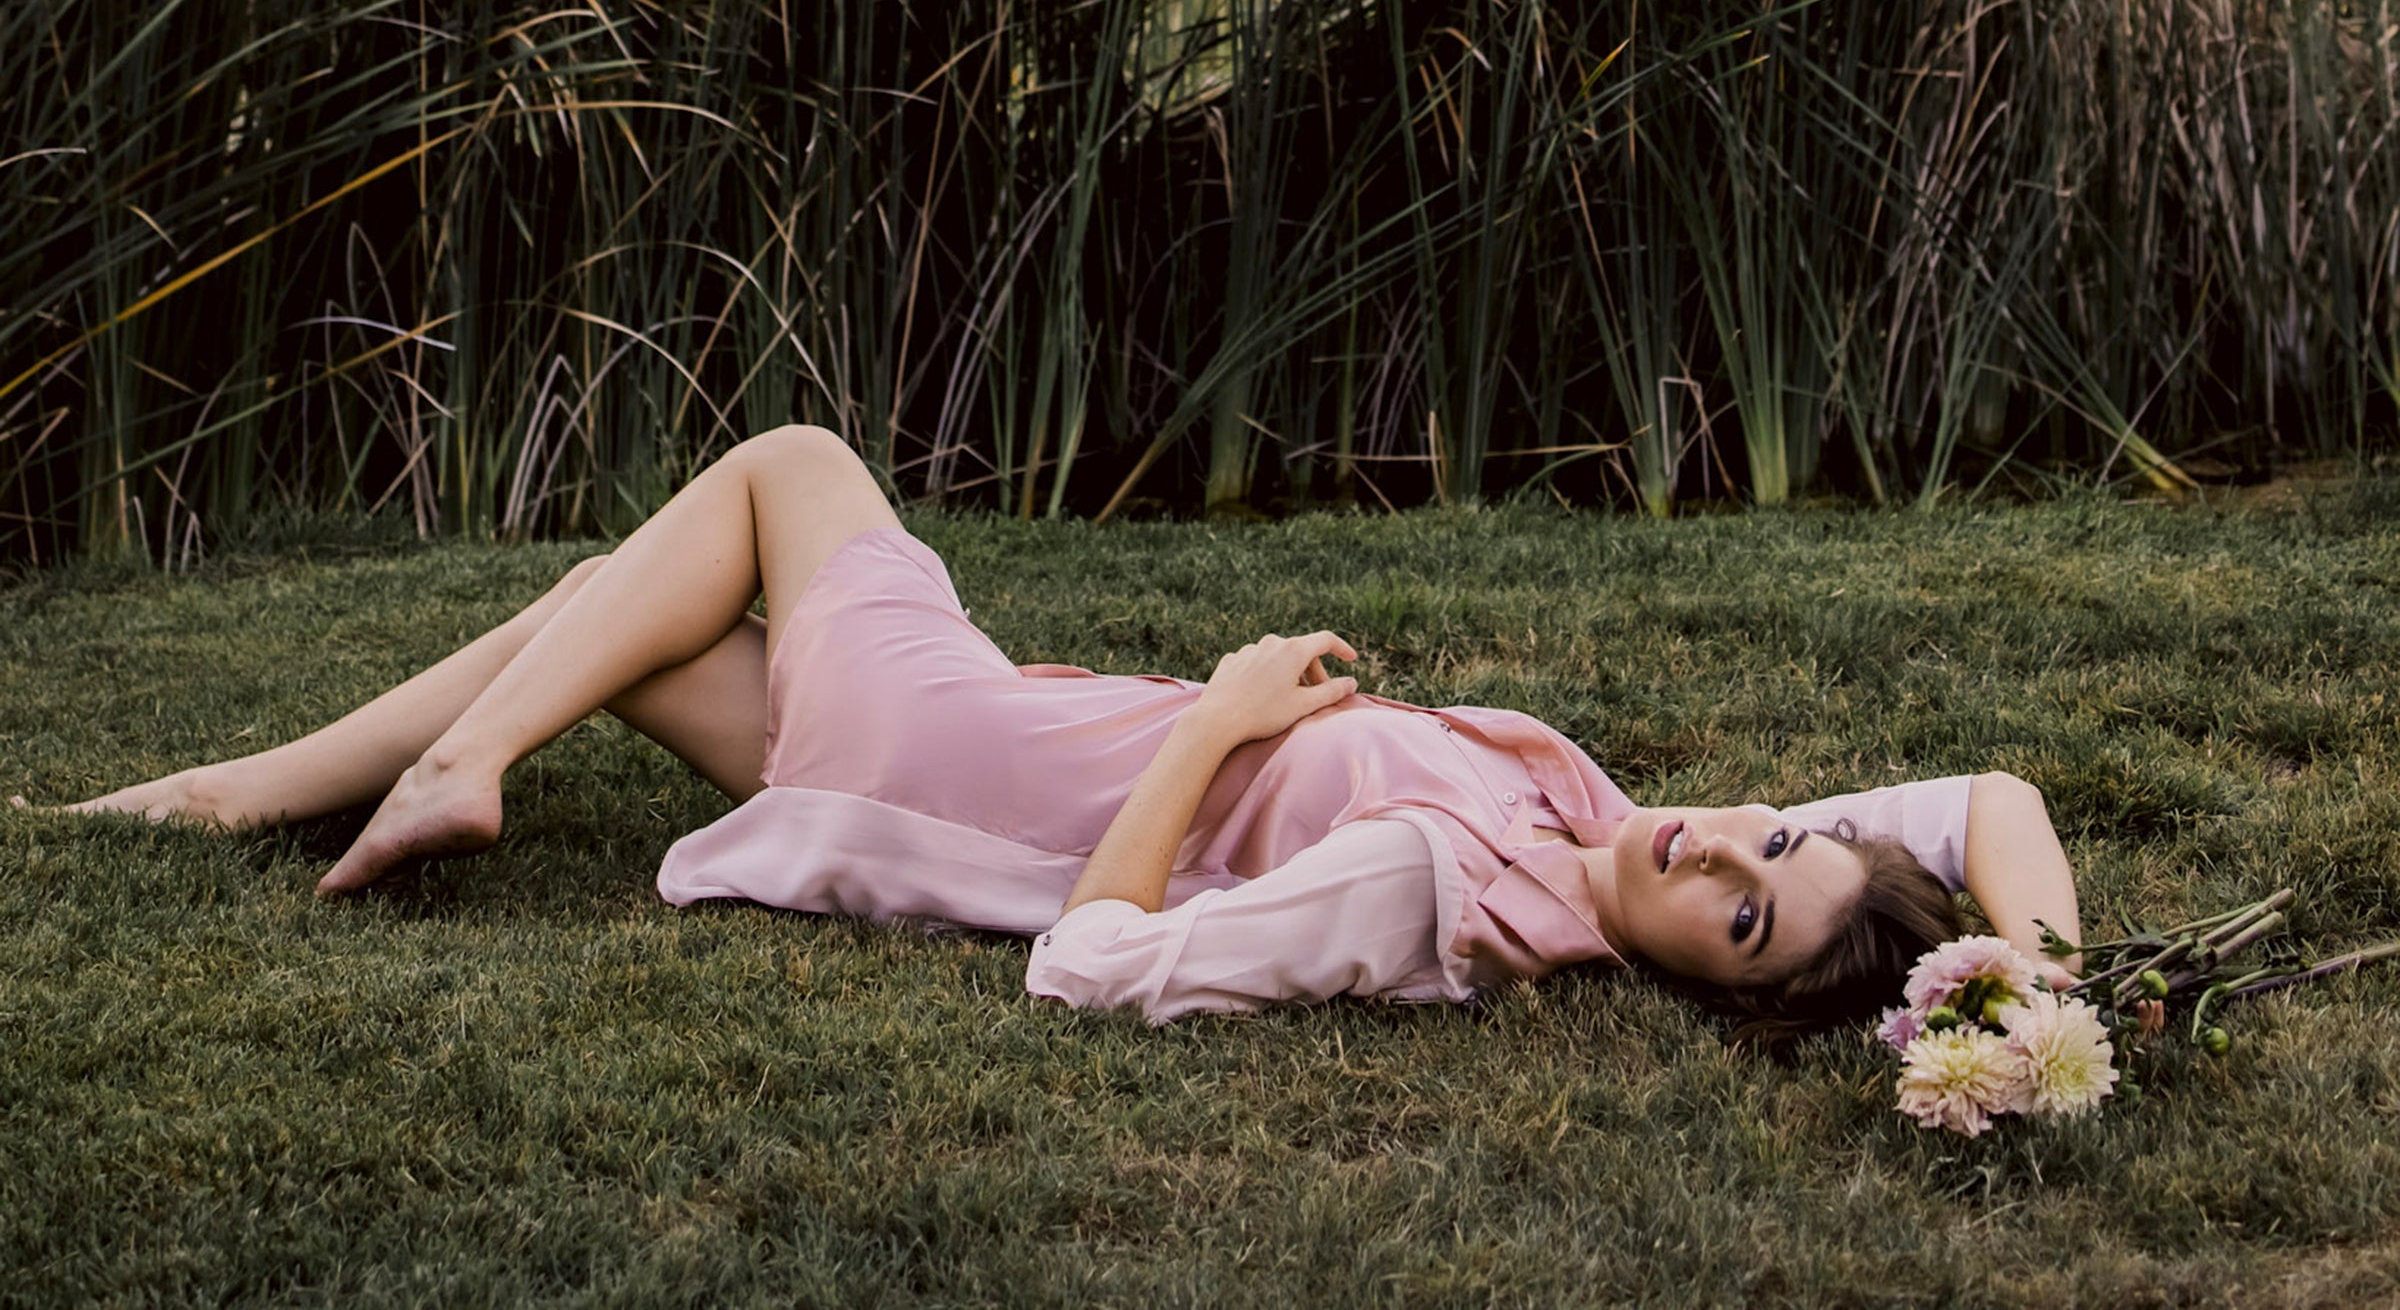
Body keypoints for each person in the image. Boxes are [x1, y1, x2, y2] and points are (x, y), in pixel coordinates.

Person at [18, 425, 2082, 1034]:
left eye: (1732, 917)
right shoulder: (1598, 820)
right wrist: (2033, 988)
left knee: (785, 470)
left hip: (974, 762)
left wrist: (1230, 722)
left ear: (1693, 984)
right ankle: (272, 790)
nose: (1715, 856)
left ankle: (388, 775)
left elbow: (1098, 970)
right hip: (996, 729)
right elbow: (1991, 794)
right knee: (618, 628)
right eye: (1765, 842)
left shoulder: (1435, 899)